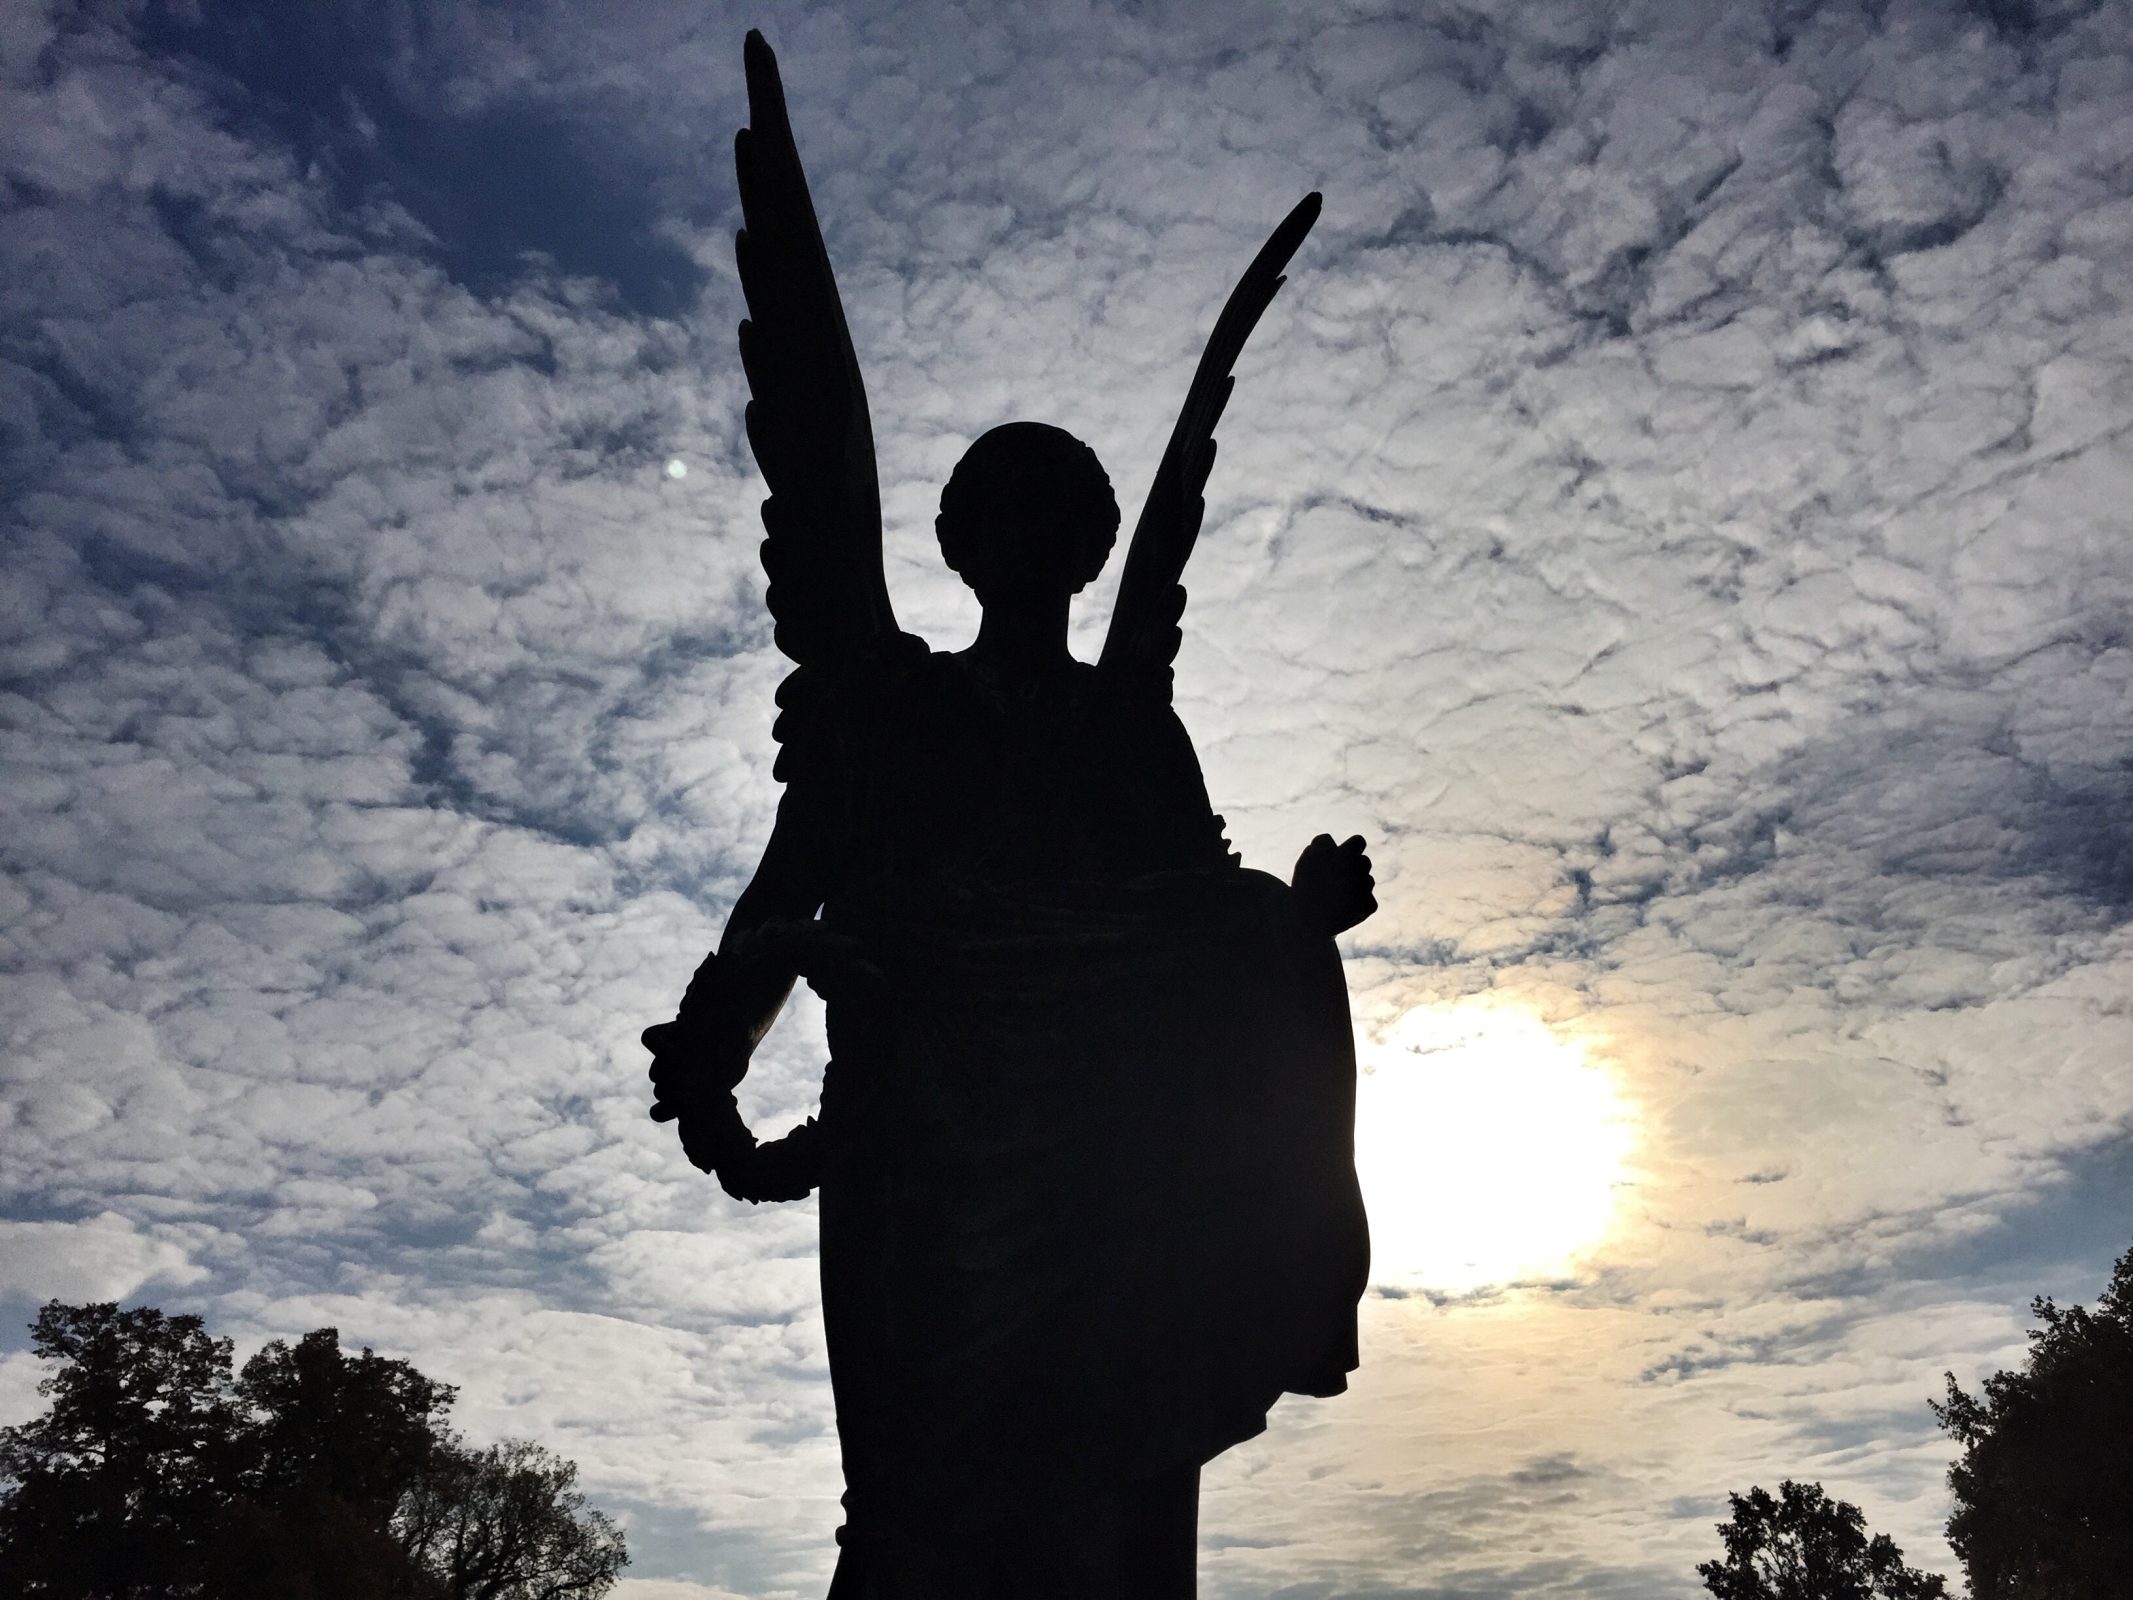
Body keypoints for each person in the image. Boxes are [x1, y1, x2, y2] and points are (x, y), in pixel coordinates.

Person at [645, 423, 1374, 1599]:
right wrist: (716, 1039)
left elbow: (1194, 930)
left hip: (1104, 1156)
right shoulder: (889, 710)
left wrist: (1298, 920)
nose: (1031, 537)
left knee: (1115, 1486)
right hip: (917, 1142)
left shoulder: (1134, 731)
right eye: (1005, 510)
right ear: (958, 543)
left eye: (1059, 515)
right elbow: (786, 889)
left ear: (1091, 551)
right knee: (906, 1504)